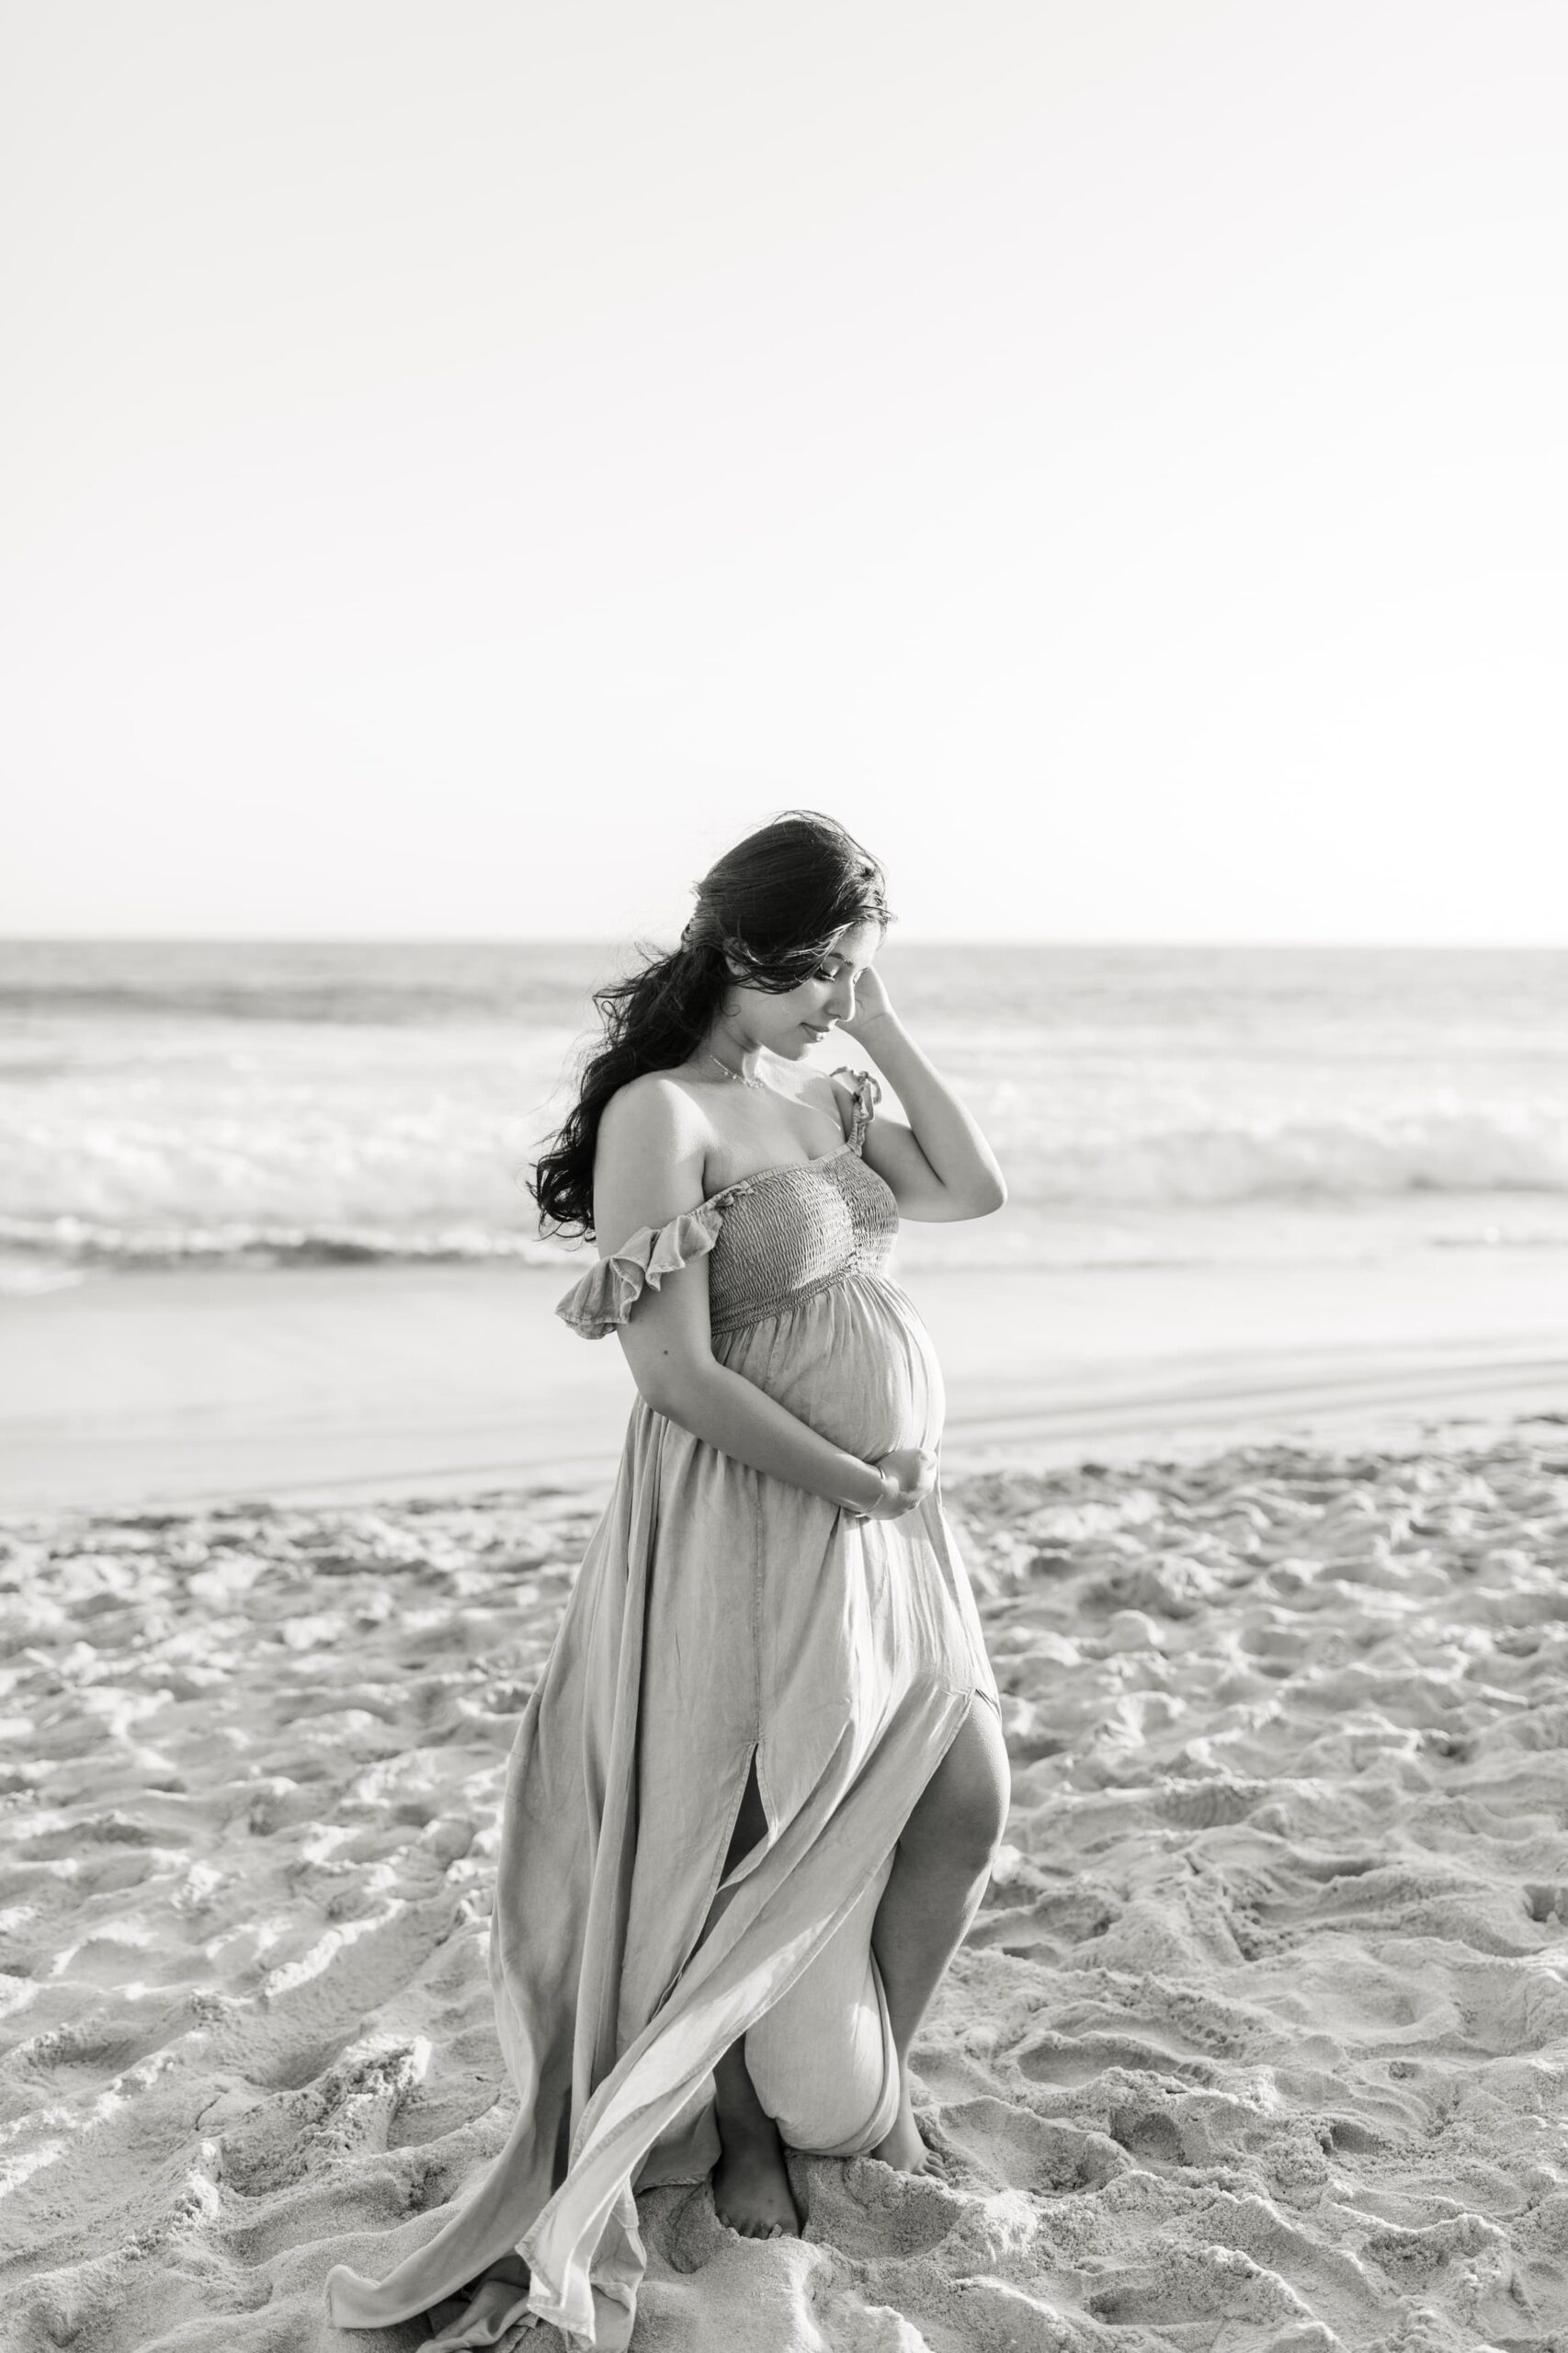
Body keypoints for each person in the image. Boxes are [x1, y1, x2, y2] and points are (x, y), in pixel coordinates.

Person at [325, 810, 1009, 2351]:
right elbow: (675, 1373)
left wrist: (882, 1025)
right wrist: (847, 1480)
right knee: (739, 1828)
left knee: (960, 1805)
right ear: (736, 949)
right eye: (819, 971)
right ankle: (752, 2127)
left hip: (888, 1531)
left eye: (855, 972)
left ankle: (858, 2085)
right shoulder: (664, 1114)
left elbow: (971, 1188)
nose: (835, 999)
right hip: (759, 1515)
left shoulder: (816, 1096)